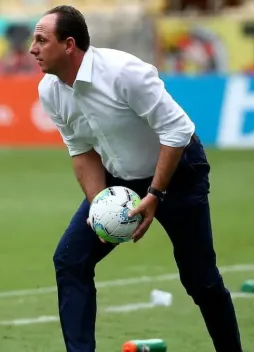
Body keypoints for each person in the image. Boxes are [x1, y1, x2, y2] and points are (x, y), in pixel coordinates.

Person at [28, 5, 243, 352]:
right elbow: (81, 150)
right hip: (121, 177)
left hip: (177, 172)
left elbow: (177, 131)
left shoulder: (125, 72)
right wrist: (100, 205)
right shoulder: (50, 91)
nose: (32, 48)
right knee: (70, 259)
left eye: (41, 39)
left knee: (200, 280)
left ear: (69, 44)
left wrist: (156, 194)